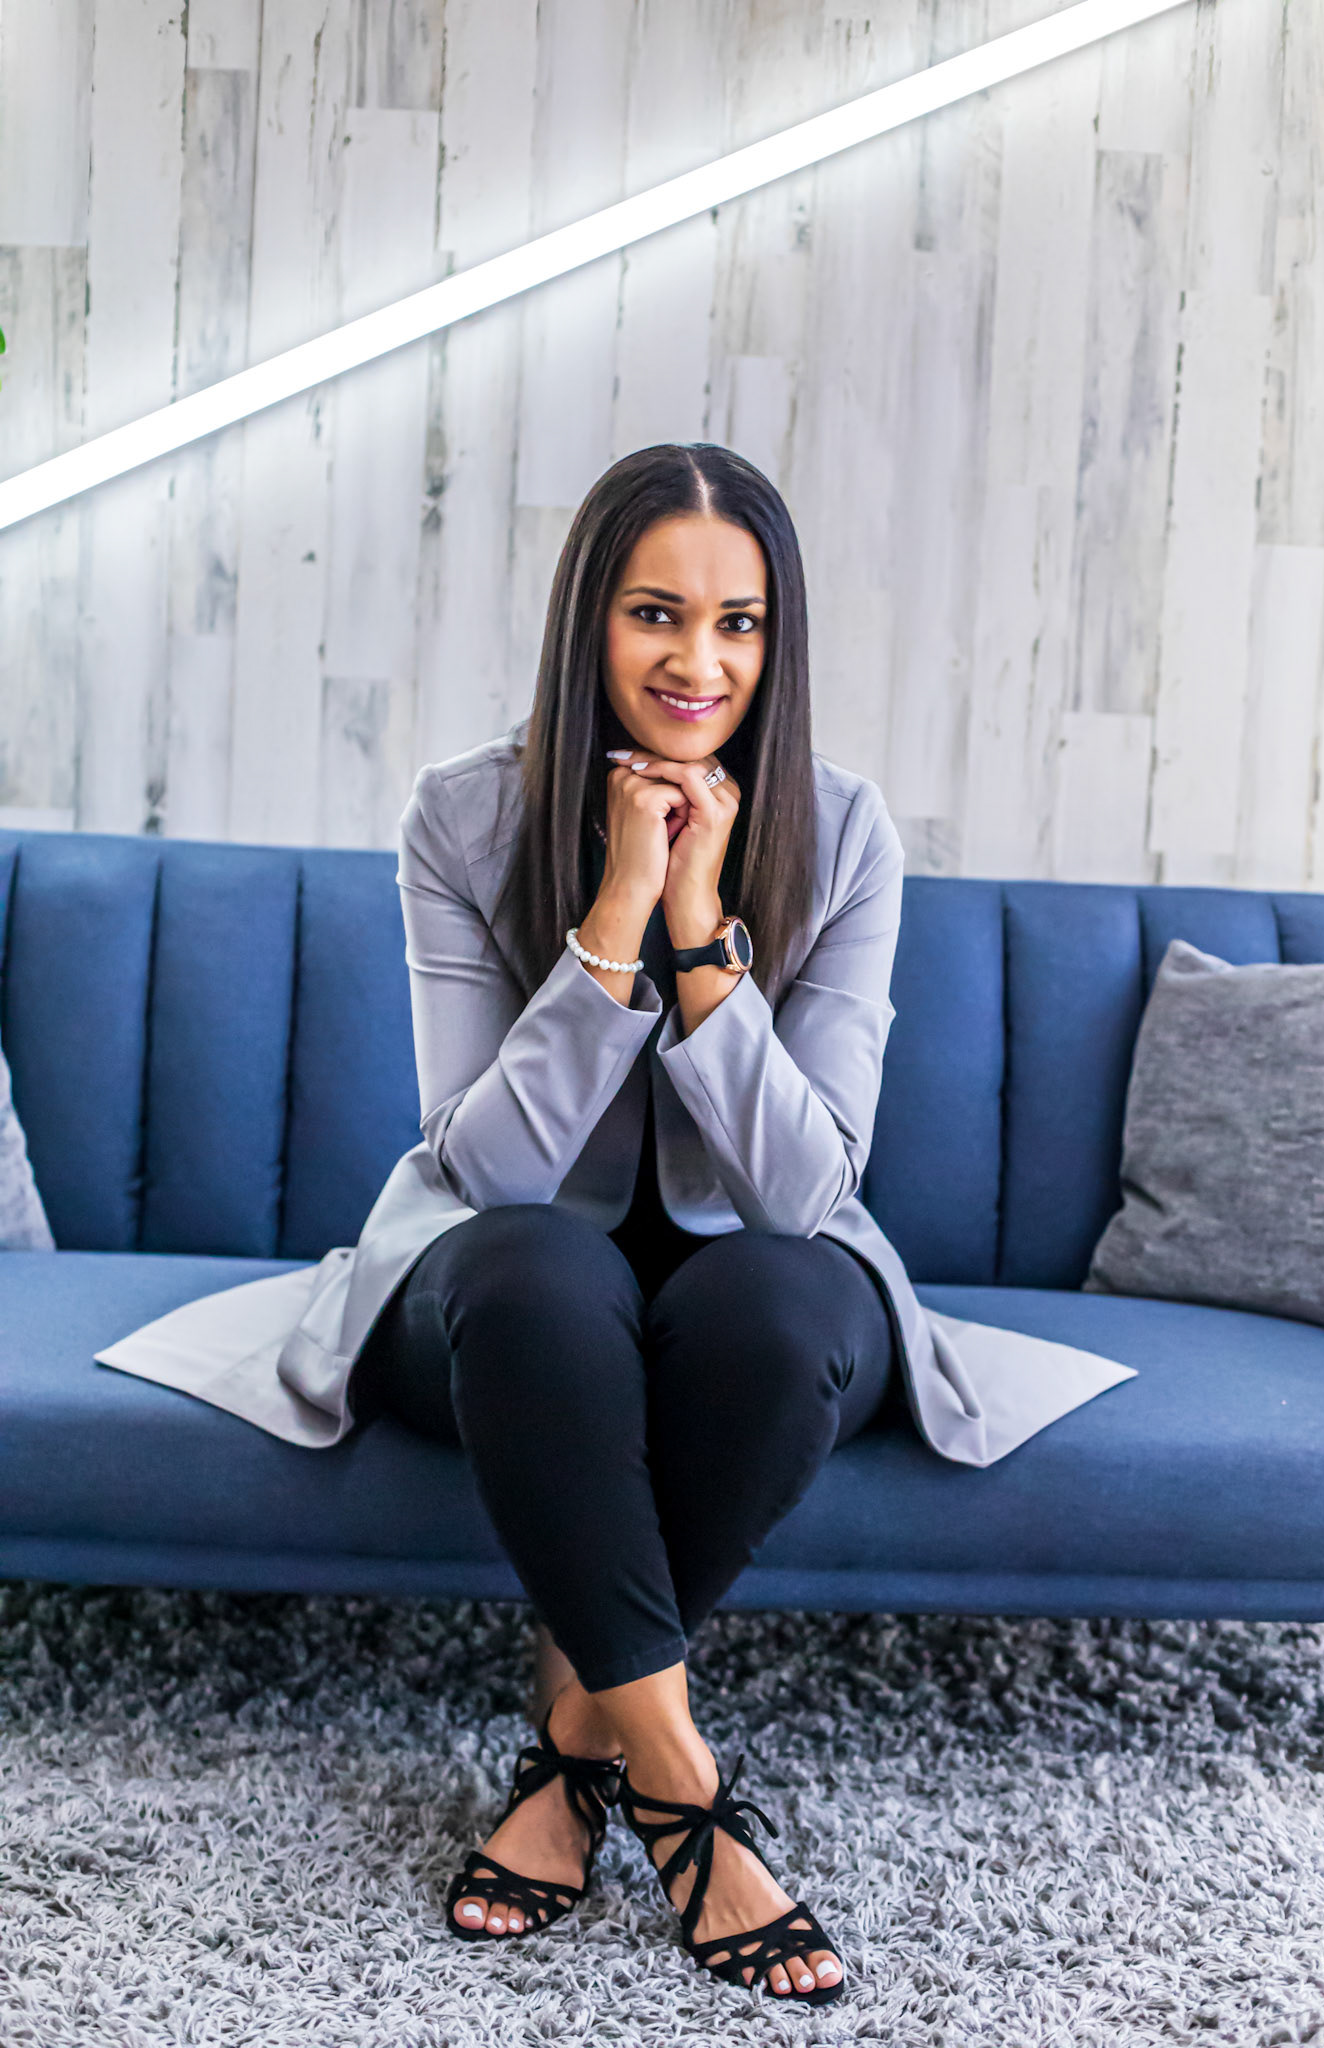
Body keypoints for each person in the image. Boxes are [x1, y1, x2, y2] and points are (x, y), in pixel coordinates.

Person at [346, 441, 909, 2005]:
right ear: (590, 617)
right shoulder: (463, 818)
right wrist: (612, 913)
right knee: (537, 1273)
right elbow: (491, 1172)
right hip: (496, 1294)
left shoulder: (845, 832)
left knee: (778, 1303)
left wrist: (700, 932)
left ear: (776, 643)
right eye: (656, 613)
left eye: (738, 623)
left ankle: (571, 1756)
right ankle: (678, 1788)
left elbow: (808, 1193)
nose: (696, 662)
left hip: (755, 1290)